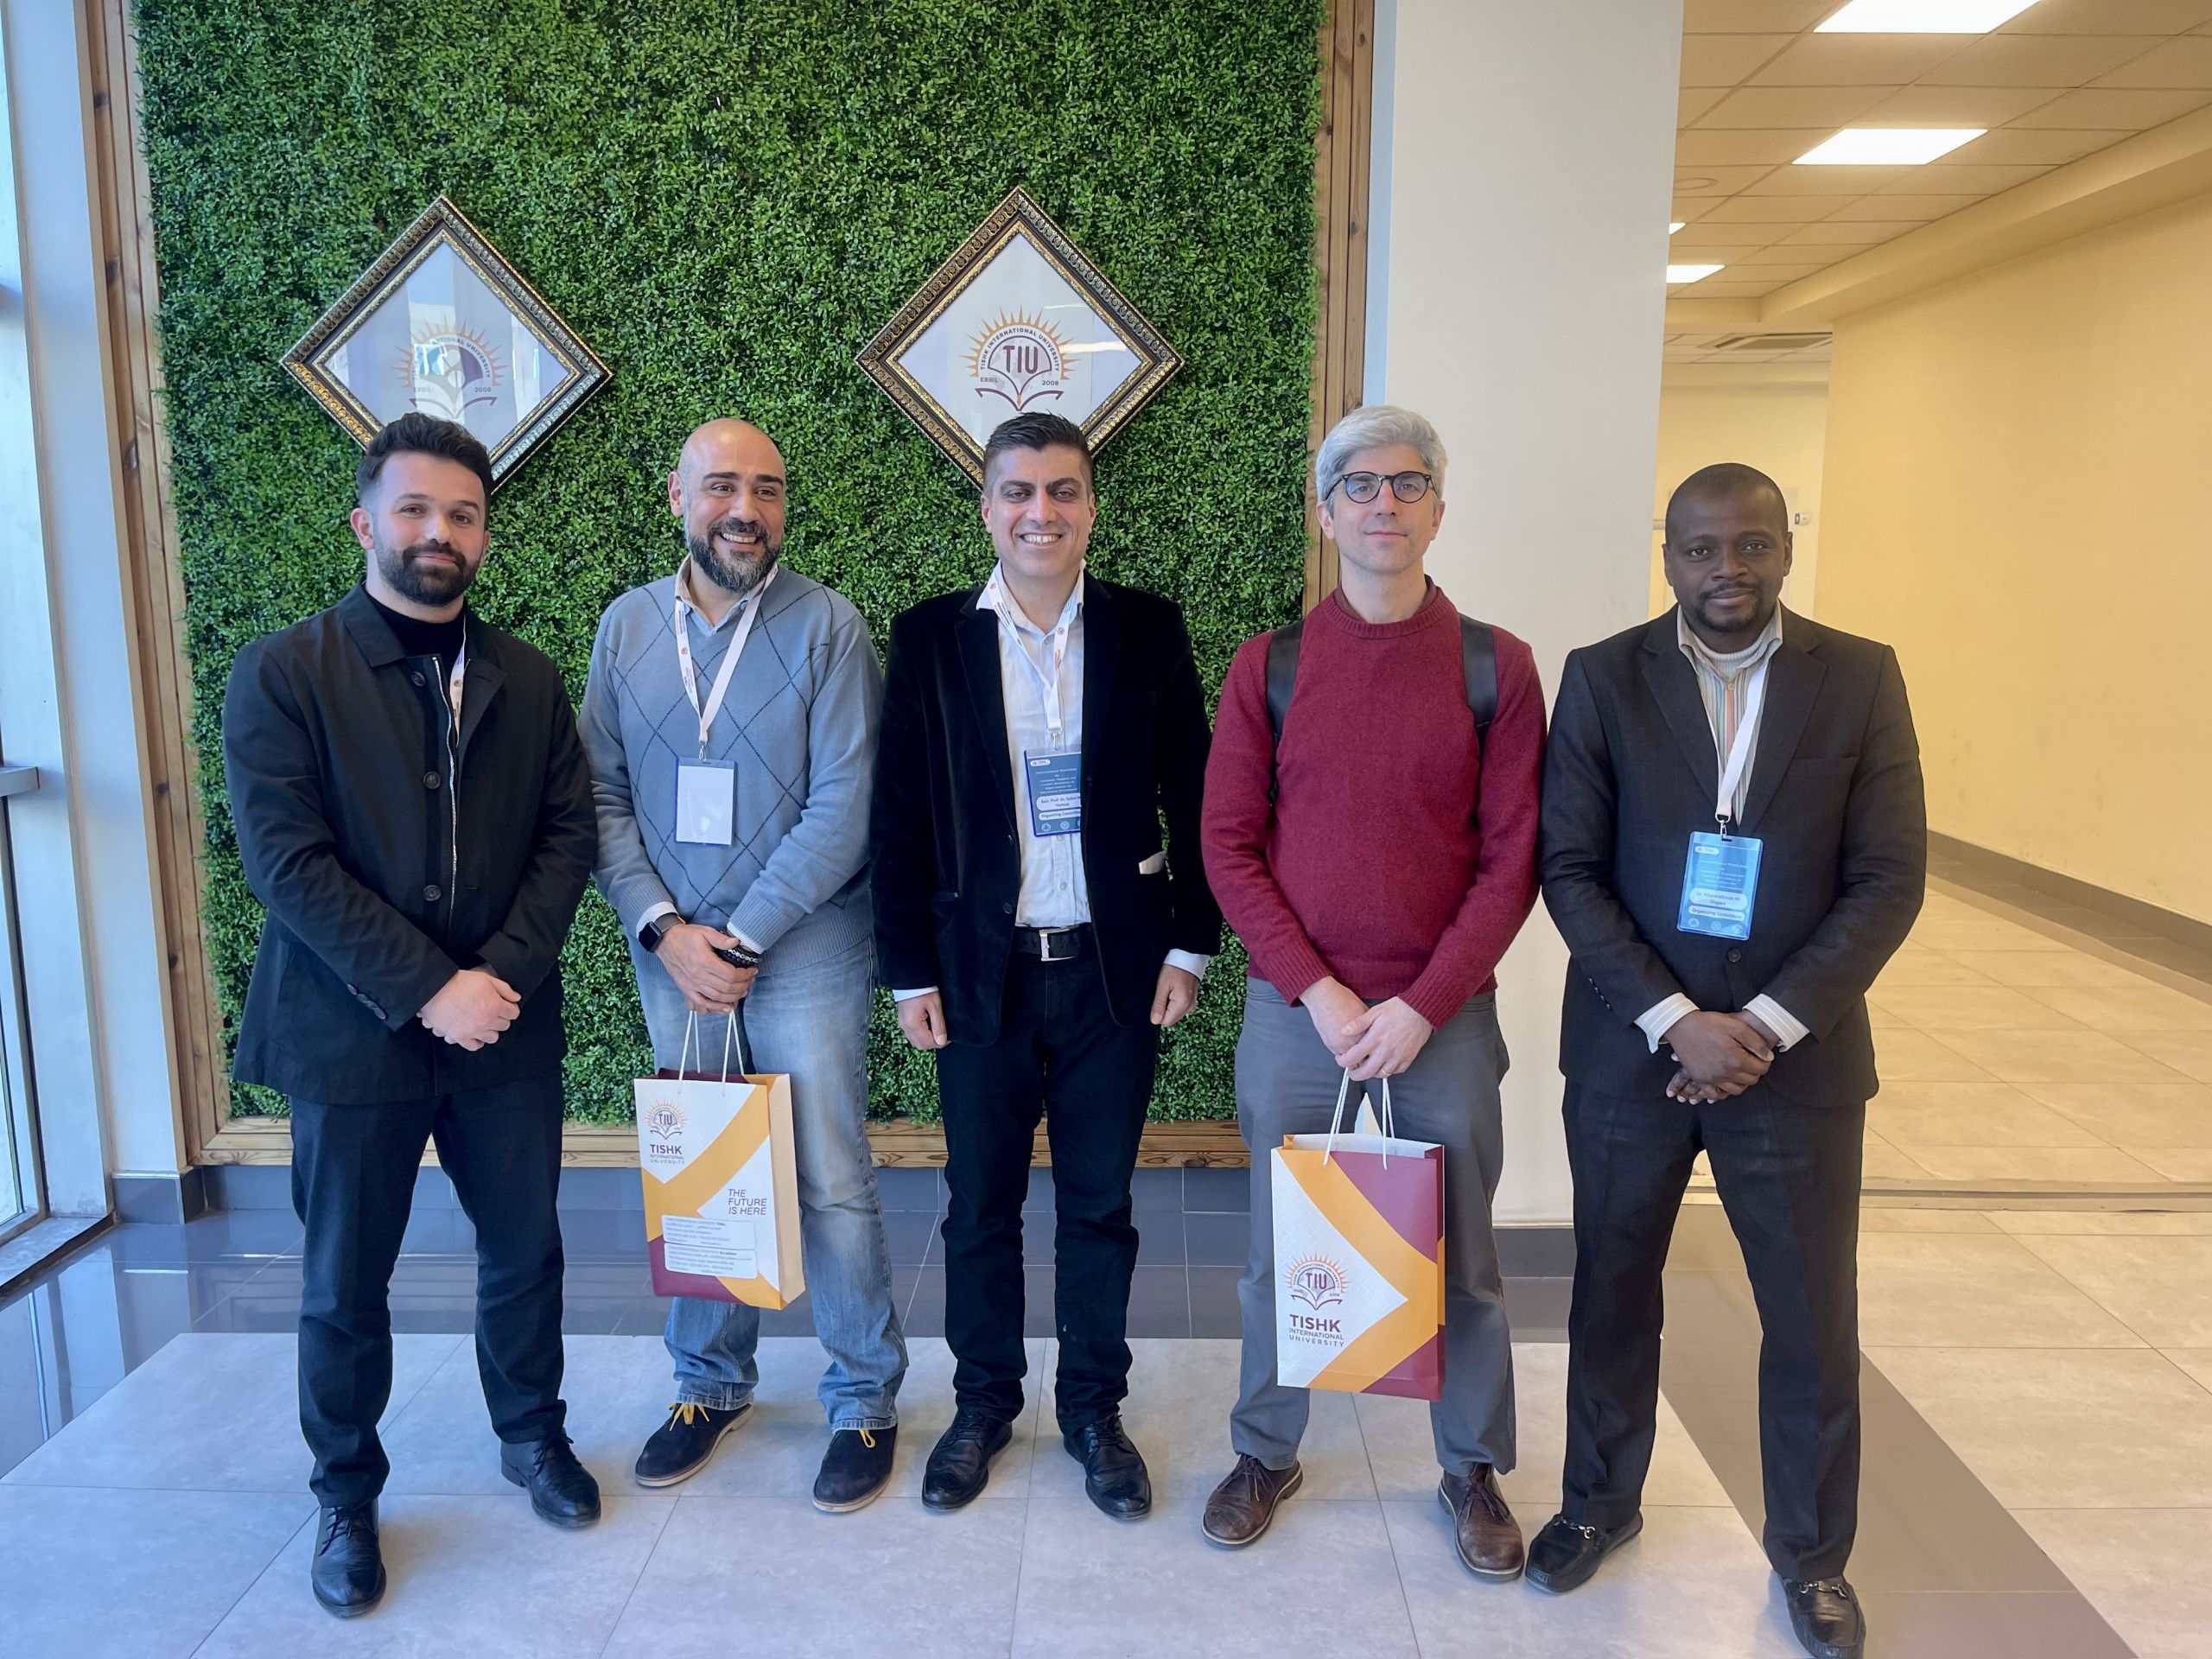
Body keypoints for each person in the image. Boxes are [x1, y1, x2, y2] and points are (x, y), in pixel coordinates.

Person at [1533, 462, 1925, 1659]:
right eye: (1702, 548)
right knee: (1611, 1291)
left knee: (1808, 1316)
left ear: (1785, 548)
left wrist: (1762, 1025)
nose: (1728, 570)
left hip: (1795, 1067)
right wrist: (1674, 1019)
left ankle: (1812, 1558)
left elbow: (1888, 877)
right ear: (1668, 555)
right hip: (1630, 1054)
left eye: (1751, 545)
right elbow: (1568, 868)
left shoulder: (1858, 676)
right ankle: (1598, 1502)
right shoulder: (1602, 676)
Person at [222, 412, 601, 1618]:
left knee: (524, 1250)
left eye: (463, 514)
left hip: (504, 1027)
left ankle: (532, 1435)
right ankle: (346, 1493)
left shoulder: (528, 678)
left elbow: (567, 839)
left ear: (484, 534)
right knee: (344, 1281)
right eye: (417, 509)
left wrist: (496, 979)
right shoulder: (285, 672)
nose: (441, 532)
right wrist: (431, 988)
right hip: (350, 1035)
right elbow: (289, 866)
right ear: (365, 523)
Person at [1197, 404, 1547, 1573]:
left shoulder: (1497, 667)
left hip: (1442, 1025)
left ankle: (1472, 1469)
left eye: (1406, 484)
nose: (1381, 504)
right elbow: (1227, 846)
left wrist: (1421, 1004)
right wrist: (1321, 993)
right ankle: (1265, 1450)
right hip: (1299, 1020)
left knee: (1464, 1258)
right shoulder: (1271, 667)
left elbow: (1512, 860)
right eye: (1358, 485)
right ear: (1326, 511)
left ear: (1439, 510)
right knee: (1281, 1249)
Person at [871, 411, 1220, 1519]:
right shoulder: (931, 637)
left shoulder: (1147, 629)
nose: (1041, 512)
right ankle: (982, 1406)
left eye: (1062, 490)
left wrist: (1191, 943)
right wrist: (908, 973)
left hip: (1114, 975)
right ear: (987, 509)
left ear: (1090, 507)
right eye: (1018, 492)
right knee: (977, 1207)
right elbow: (898, 815)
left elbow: (1197, 795)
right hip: (980, 976)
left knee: (1099, 1208)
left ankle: (1091, 1412)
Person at [579, 418, 907, 1511]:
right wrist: (665, 930)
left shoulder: (828, 626)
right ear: (679, 497)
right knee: (702, 1164)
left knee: (830, 1177)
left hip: (804, 951)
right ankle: (708, 1384)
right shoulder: (627, 627)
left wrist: (744, 937)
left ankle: (862, 1399)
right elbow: (599, 795)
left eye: (767, 490)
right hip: (675, 956)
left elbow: (846, 804)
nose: (746, 510)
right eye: (722, 486)